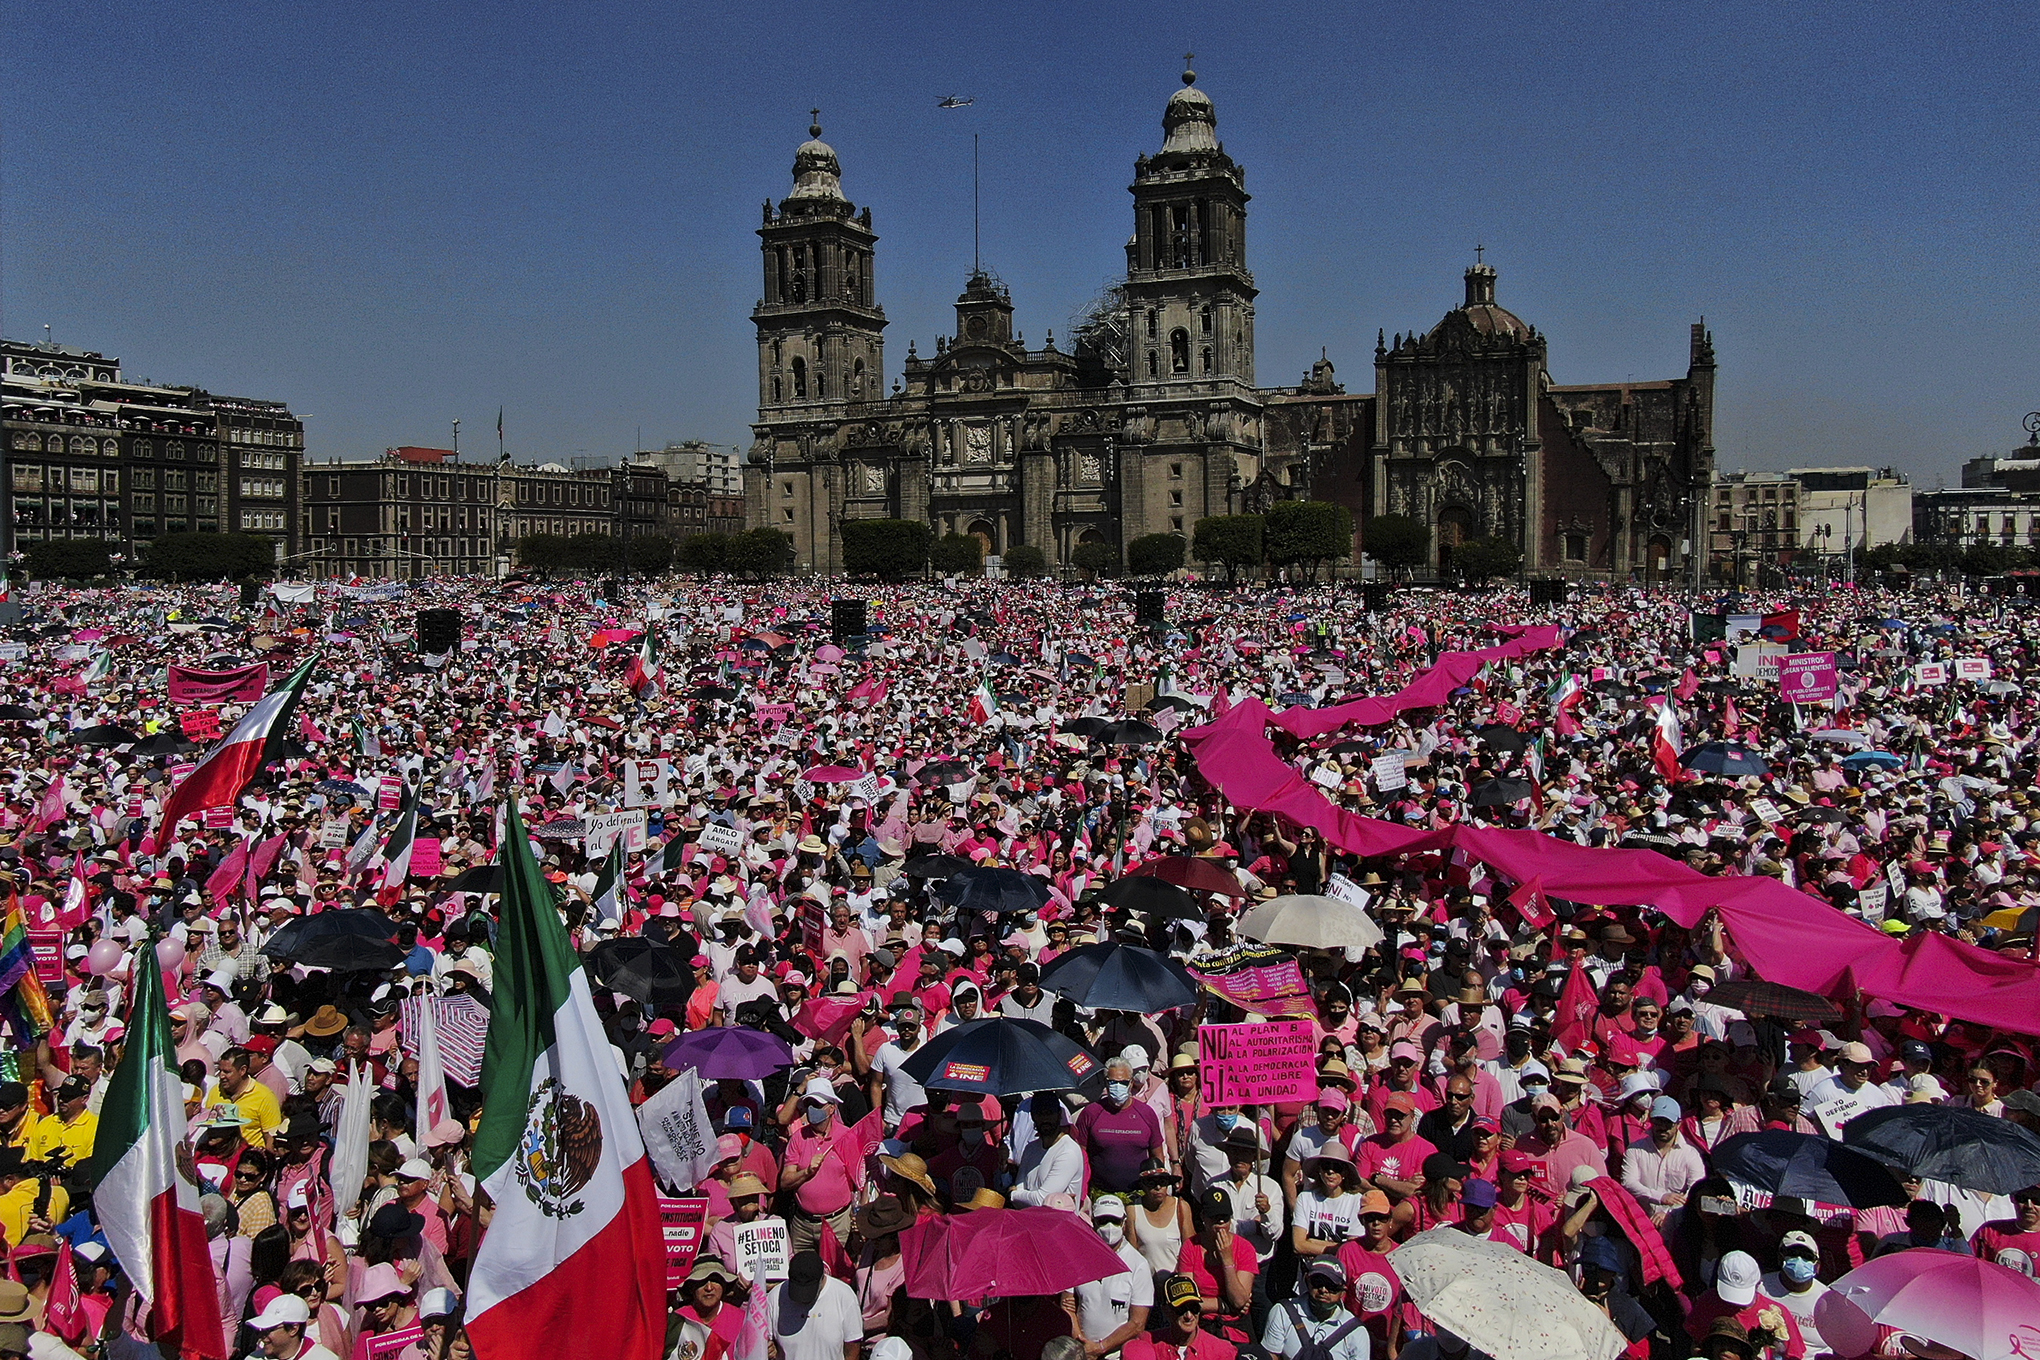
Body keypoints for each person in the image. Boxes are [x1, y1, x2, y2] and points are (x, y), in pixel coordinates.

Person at [779, 1076, 863, 1253]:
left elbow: (859, 1181)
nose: (812, 1109)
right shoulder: (798, 1138)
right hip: (802, 1224)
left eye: (817, 1105)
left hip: (837, 1223)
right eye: (809, 1104)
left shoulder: (847, 1137)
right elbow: (785, 1182)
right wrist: (806, 1172)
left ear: (832, 1108)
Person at [1074, 1197, 1153, 1360]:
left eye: (1115, 1221)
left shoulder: (1138, 1264)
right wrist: (1081, 1344)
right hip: (1080, 1351)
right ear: (1093, 1221)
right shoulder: (1078, 1257)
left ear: (1124, 1222)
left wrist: (1100, 1347)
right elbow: (1067, 1304)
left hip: (1117, 1355)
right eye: (1103, 1221)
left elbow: (1138, 1323)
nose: (1109, 1227)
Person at [1074, 1059, 1166, 1196]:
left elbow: (1157, 1154)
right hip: (1100, 1193)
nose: (1118, 1086)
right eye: (1113, 1082)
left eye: (1123, 1082)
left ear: (1131, 1083)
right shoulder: (1091, 1113)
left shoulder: (1146, 1113)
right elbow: (1080, 1155)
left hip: (1139, 1193)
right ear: (1106, 1083)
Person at [1262, 1258, 1369, 1360]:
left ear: (1343, 1292)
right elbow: (1271, 1355)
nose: (1323, 1290)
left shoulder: (1356, 1331)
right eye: (1317, 1282)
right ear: (1307, 1282)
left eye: (1331, 1286)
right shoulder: (1283, 1312)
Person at [768, 1251, 862, 1360]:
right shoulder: (775, 1297)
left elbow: (853, 1349)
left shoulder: (844, 1296)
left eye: (808, 1290)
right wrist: (770, 1349)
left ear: (822, 1278)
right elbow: (765, 1342)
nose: (802, 1298)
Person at [1123, 1274, 1236, 1360]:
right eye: (1181, 1309)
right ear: (1166, 1310)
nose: (1189, 1315)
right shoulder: (1149, 1342)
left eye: (1194, 1308)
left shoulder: (1222, 1351)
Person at [1758, 1230, 1829, 1353]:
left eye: (1807, 1256)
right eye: (1792, 1253)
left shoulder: (1827, 1299)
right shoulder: (1761, 1287)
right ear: (1780, 1257)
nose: (1799, 1259)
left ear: (1817, 1265)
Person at [246, 1292, 341, 1360]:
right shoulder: (253, 1358)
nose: (262, 1336)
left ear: (293, 1329)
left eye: (269, 1330)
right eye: (261, 1330)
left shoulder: (325, 1358)